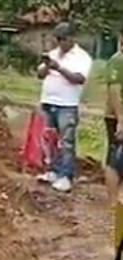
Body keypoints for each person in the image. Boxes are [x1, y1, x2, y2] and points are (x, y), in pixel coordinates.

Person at [36, 22, 92, 193]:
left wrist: (59, 68)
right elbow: (40, 74)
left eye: (63, 39)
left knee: (66, 142)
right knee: (49, 139)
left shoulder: (81, 57)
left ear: (71, 38)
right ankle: (52, 170)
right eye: (57, 39)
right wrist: (47, 65)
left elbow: (79, 78)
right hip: (48, 101)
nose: (60, 42)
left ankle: (66, 175)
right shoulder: (53, 54)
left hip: (67, 104)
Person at [103, 29, 123, 209]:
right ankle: (112, 202)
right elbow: (114, 92)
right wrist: (121, 119)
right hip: (116, 117)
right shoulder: (118, 60)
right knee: (115, 160)